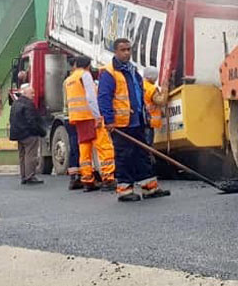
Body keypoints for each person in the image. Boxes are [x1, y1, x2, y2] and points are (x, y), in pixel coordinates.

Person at [99, 39, 170, 202]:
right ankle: (124, 190)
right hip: (121, 123)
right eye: (123, 50)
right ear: (115, 52)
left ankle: (149, 187)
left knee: (142, 153)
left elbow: (138, 94)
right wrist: (109, 120)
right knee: (124, 156)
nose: (127, 53)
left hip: (137, 121)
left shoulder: (133, 71)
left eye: (129, 49)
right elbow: (104, 97)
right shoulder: (109, 73)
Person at [64, 55, 116, 192]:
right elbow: (91, 97)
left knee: (84, 149)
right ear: (88, 65)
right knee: (104, 146)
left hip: (78, 118)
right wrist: (98, 116)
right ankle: (108, 178)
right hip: (90, 116)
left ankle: (87, 180)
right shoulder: (85, 75)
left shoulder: (69, 80)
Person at [9, 84, 46, 185]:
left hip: (18, 134)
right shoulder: (28, 104)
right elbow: (32, 121)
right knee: (30, 155)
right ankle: (30, 176)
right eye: (31, 93)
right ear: (25, 93)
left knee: (22, 155)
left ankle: (23, 176)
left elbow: (12, 119)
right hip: (28, 134)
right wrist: (41, 131)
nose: (33, 95)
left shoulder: (15, 103)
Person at [142, 66, 163, 146]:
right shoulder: (151, 89)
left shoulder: (141, 85)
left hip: (142, 120)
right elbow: (160, 101)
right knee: (148, 145)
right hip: (149, 121)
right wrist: (165, 90)